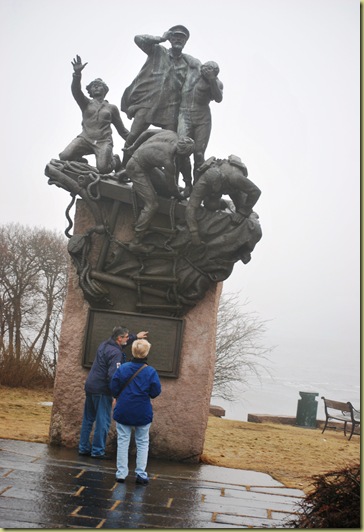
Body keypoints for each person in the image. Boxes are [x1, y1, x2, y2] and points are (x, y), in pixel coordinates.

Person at [120, 26, 201, 161]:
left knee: (171, 143)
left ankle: (169, 178)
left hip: (170, 108)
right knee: (133, 137)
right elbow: (138, 39)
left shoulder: (187, 63)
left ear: (185, 41)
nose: (178, 40)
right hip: (148, 102)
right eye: (175, 36)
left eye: (182, 38)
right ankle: (123, 168)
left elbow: (197, 79)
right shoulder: (157, 50)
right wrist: (161, 38)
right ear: (170, 38)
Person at [78, 326, 148, 459]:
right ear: (119, 338)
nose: (128, 339)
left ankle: (83, 448)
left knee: (88, 419)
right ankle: (97, 451)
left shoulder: (104, 344)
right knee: (102, 421)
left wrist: (135, 336)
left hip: (90, 386)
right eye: (126, 337)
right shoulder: (116, 353)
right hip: (102, 390)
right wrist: (115, 394)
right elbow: (113, 375)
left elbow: (124, 341)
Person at [124, 129, 194, 251]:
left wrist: (133, 147)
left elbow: (147, 132)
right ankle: (136, 241)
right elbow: (172, 188)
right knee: (152, 205)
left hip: (145, 166)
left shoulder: (171, 134)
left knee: (164, 190)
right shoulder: (168, 161)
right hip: (136, 168)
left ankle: (123, 173)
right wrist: (180, 196)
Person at [59, 55, 129, 174]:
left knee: (103, 168)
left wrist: (137, 140)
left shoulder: (111, 108)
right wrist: (77, 74)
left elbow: (122, 131)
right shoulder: (86, 103)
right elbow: (76, 91)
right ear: (90, 91)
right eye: (93, 86)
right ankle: (80, 161)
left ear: (105, 90)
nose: (96, 86)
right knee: (64, 156)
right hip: (85, 138)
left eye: (99, 85)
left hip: (103, 141)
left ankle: (115, 161)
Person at [111, 339, 161, 485]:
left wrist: (116, 397)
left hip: (124, 409)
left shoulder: (123, 368)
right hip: (142, 411)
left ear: (133, 351)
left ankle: (121, 473)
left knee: (123, 441)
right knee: (142, 442)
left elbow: (114, 387)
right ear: (146, 353)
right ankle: (140, 473)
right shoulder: (150, 372)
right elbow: (155, 391)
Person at [185, 155, 261, 246]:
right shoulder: (202, 183)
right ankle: (223, 203)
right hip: (214, 187)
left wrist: (242, 212)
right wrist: (194, 233)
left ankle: (251, 215)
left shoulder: (235, 178)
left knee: (245, 217)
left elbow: (255, 192)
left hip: (234, 186)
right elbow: (190, 207)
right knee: (211, 205)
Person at [177, 61, 223, 196]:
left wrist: (212, 80)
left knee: (199, 154)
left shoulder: (216, 82)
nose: (206, 70)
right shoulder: (193, 71)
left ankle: (197, 188)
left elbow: (218, 98)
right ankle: (187, 183)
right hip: (185, 114)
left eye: (210, 69)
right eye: (205, 67)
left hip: (202, 118)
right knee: (182, 149)